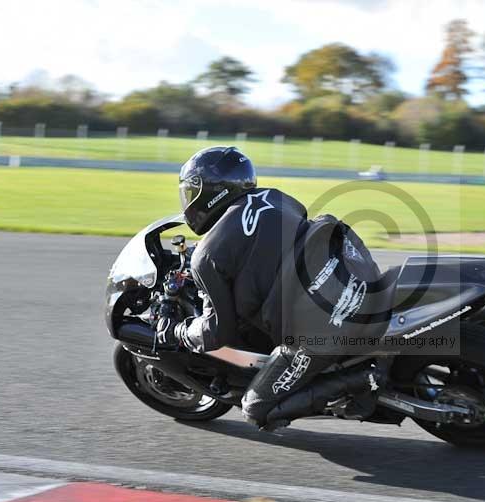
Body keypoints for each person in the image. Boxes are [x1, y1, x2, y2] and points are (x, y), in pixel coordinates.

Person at [155, 146, 393, 430]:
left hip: (324, 328)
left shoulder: (207, 257)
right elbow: (259, 244)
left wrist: (178, 331)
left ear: (209, 192)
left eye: (191, 193)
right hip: (356, 278)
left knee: (256, 409)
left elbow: (218, 331)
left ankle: (365, 380)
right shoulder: (275, 197)